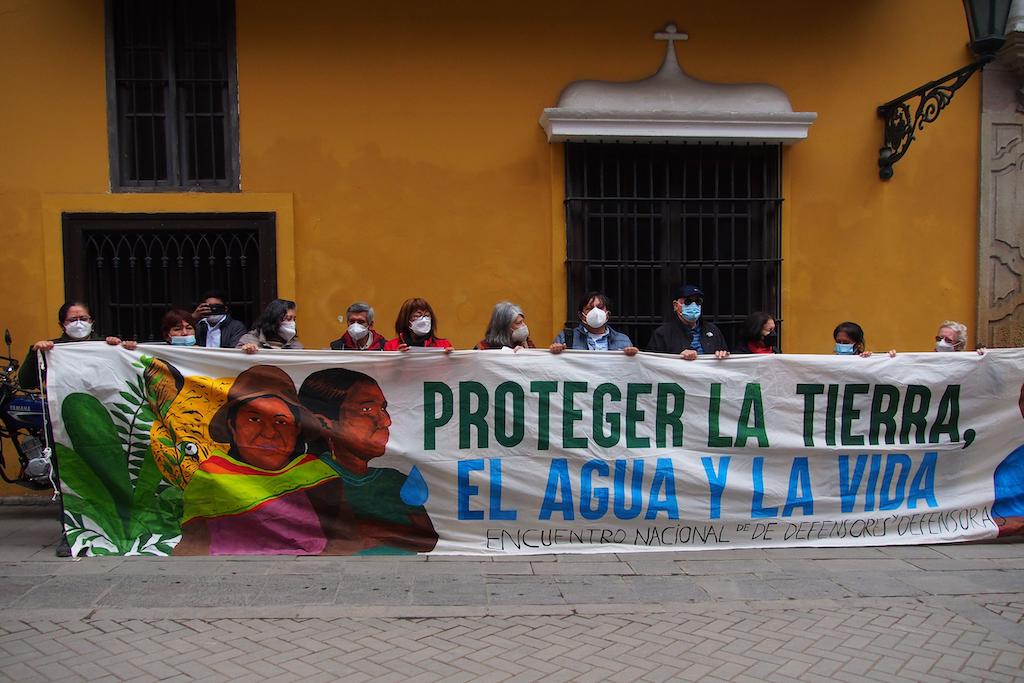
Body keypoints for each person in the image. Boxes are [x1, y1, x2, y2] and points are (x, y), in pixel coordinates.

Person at [174, 365, 337, 555]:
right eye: (254, 419)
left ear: (297, 428)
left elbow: (344, 538)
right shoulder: (211, 476)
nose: (269, 433)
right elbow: (193, 543)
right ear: (231, 425)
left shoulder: (318, 475)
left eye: (281, 421)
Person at [299, 368, 438, 554]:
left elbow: (428, 541)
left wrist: (372, 531)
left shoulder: (395, 480)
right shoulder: (310, 477)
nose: (386, 421)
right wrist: (395, 532)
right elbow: (327, 540)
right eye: (367, 410)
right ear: (325, 423)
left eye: (383, 409)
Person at [19, 301, 133, 390]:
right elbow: (26, 383)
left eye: (83, 319)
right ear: (62, 325)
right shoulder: (51, 349)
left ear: (92, 322)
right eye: (73, 320)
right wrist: (36, 353)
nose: (79, 324)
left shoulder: (107, 345)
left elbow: (129, 377)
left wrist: (128, 350)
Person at [647, 285, 729, 360]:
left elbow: (725, 357)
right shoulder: (663, 333)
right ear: (676, 305)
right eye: (688, 301)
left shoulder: (713, 330)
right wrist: (678, 357)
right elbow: (654, 364)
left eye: (698, 301)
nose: (693, 305)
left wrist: (723, 354)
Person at [549, 291, 638, 355]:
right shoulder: (566, 338)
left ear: (607, 314)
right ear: (581, 315)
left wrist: (632, 356)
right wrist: (555, 351)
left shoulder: (623, 340)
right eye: (589, 308)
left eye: (600, 307)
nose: (595, 311)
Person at [383, 298, 454, 352]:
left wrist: (452, 360)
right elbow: (385, 370)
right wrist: (395, 358)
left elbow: (453, 370)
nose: (424, 320)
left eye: (427, 315)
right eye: (417, 315)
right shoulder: (391, 346)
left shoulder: (444, 345)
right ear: (406, 320)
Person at [237, 299, 302, 353]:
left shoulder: (295, 346)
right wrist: (245, 351)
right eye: (288, 319)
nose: (292, 323)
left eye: (294, 319)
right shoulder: (249, 340)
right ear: (274, 319)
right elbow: (236, 362)